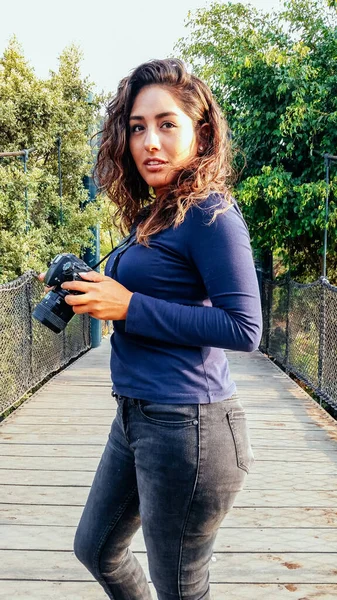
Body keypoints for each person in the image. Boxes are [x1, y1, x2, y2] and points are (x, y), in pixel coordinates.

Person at [43, 59, 262, 600]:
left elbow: (245, 327)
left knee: (181, 589)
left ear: (201, 132)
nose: (149, 142)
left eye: (167, 124)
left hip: (190, 427)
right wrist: (97, 289)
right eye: (138, 127)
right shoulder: (156, 213)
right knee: (96, 548)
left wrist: (129, 305)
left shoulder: (212, 214)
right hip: (136, 415)